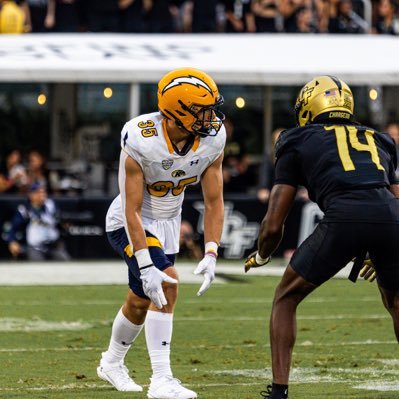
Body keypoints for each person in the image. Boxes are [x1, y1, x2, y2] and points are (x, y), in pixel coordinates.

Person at [244, 75, 399, 399]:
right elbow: (394, 197)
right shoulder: (380, 139)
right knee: (396, 301)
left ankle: (279, 391)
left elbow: (274, 224)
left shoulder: (296, 139)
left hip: (343, 217)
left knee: (285, 298)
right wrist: (380, 242)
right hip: (391, 218)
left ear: (308, 106)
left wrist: (261, 255)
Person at [98, 67, 225, 399]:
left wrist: (211, 251)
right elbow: (131, 211)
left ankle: (111, 363)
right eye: (202, 110)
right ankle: (161, 380)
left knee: (140, 300)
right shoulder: (141, 138)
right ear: (178, 111)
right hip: (130, 223)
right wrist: (145, 263)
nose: (210, 117)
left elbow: (214, 202)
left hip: (168, 224)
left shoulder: (213, 139)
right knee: (167, 281)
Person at [6, 182, 70, 261]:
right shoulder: (25, 209)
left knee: (64, 260)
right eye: (38, 192)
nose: (42, 195)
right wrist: (12, 241)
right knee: (37, 264)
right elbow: (13, 228)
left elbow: (59, 221)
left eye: (43, 192)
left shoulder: (51, 206)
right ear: (31, 195)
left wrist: (64, 225)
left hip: (53, 245)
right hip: (35, 247)